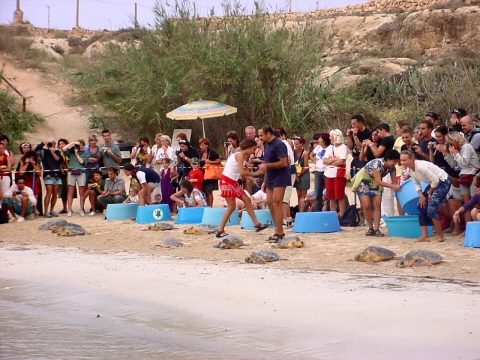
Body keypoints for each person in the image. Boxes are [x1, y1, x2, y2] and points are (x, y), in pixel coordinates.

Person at [216, 138, 269, 238]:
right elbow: (242, 172)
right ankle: (220, 229)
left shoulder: (241, 156)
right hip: (227, 182)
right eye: (252, 149)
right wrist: (256, 173)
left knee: (247, 200)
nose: (253, 151)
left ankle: (257, 224)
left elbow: (239, 172)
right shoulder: (239, 155)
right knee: (231, 207)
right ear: (247, 147)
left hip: (232, 181)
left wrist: (252, 179)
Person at [400, 150, 451, 243]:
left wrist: (428, 193)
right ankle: (425, 236)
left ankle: (440, 235)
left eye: (405, 160)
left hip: (443, 181)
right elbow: (415, 182)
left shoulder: (421, 167)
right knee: (421, 206)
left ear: (412, 159)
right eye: (401, 160)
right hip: (433, 183)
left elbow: (436, 180)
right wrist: (421, 195)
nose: (402, 163)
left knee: (431, 207)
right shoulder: (409, 169)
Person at [351, 150, 401, 237]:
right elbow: (379, 181)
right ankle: (370, 227)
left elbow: (394, 181)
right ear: (388, 159)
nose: (395, 163)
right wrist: (393, 186)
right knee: (366, 205)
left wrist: (398, 187)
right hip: (364, 181)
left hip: (376, 183)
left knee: (377, 205)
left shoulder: (392, 168)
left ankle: (377, 228)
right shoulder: (377, 164)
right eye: (394, 161)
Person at [258, 125, 290, 243]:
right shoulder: (267, 146)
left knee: (277, 203)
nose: (260, 138)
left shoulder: (279, 144)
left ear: (268, 134)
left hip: (280, 177)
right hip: (271, 178)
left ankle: (279, 232)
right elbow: (267, 162)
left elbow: (284, 162)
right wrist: (265, 180)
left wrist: (268, 166)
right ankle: (278, 229)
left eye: (261, 135)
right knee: (270, 204)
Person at [444, 131, 479, 231]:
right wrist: (447, 154)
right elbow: (454, 164)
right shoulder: (458, 150)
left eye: (451, 142)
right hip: (464, 176)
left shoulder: (467, 147)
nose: (450, 145)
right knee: (466, 204)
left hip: (472, 175)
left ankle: (475, 227)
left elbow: (464, 163)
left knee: (475, 203)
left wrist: (455, 153)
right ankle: (468, 229)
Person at [324, 129, 348, 217]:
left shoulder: (343, 147)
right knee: (331, 195)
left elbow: (341, 161)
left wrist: (330, 162)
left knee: (340, 195)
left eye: (331, 136)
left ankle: (342, 214)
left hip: (339, 173)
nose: (330, 137)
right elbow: (324, 160)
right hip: (329, 173)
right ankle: (333, 214)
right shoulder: (330, 147)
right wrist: (333, 160)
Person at [63, 140, 90, 216]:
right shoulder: (71, 153)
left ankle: (82, 209)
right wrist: (72, 143)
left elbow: (82, 162)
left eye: (82, 145)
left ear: (84, 146)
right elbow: (64, 149)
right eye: (79, 145)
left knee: (81, 192)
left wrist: (77, 154)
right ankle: (69, 209)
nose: (80, 146)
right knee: (70, 192)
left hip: (81, 172)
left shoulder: (86, 154)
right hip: (71, 172)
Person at [310, 133, 331, 213]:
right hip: (318, 171)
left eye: (320, 139)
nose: (318, 141)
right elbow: (311, 155)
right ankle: (318, 212)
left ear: (324, 141)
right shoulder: (318, 147)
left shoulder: (330, 148)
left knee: (328, 193)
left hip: (327, 171)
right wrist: (316, 163)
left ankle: (328, 211)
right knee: (318, 193)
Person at [16, 150, 41, 215]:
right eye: (30, 158)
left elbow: (39, 173)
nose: (31, 159)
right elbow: (21, 173)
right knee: (25, 192)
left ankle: (35, 208)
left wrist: (34, 164)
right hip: (24, 178)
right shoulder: (22, 160)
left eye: (32, 158)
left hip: (32, 177)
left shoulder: (35, 161)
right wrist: (26, 164)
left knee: (35, 192)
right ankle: (25, 208)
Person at [198, 137, 221, 207]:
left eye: (203, 145)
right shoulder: (200, 153)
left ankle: (210, 206)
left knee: (209, 192)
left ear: (207, 145)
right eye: (200, 145)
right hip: (203, 174)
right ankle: (207, 205)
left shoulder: (212, 153)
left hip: (210, 175)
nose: (201, 147)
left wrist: (210, 161)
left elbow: (219, 161)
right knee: (205, 191)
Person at [293, 136, 310, 212]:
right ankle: (300, 210)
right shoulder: (293, 152)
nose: (295, 146)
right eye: (294, 144)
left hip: (303, 174)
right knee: (298, 194)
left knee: (303, 194)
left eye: (297, 144)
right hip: (296, 173)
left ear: (302, 144)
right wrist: (296, 175)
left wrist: (299, 175)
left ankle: (303, 211)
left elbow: (306, 166)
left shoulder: (305, 153)